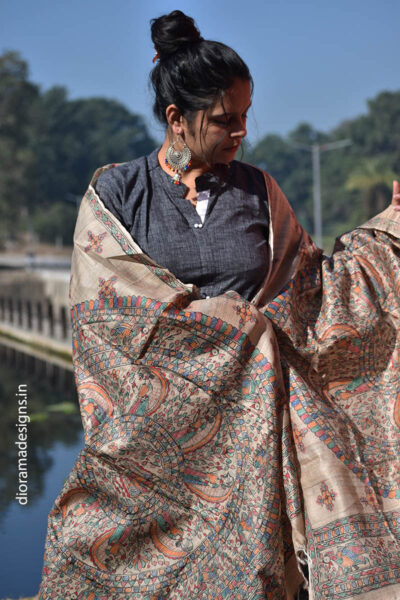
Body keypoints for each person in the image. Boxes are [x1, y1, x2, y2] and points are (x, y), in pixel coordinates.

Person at [38, 10, 400, 600]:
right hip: (154, 437)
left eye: (246, 117)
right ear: (177, 120)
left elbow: (311, 291)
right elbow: (108, 317)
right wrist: (223, 326)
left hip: (252, 441)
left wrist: (386, 233)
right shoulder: (117, 195)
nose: (241, 133)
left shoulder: (257, 190)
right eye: (225, 120)